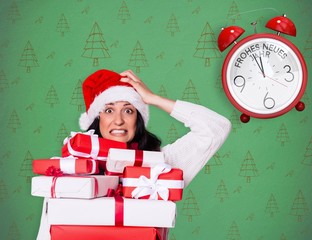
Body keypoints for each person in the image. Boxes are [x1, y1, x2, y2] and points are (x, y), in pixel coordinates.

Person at [36, 69, 231, 239]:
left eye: (128, 110)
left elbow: (217, 129)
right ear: (97, 119)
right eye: (109, 110)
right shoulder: (72, 171)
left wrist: (153, 99)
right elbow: (48, 231)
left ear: (138, 118)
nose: (118, 120)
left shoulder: (160, 168)